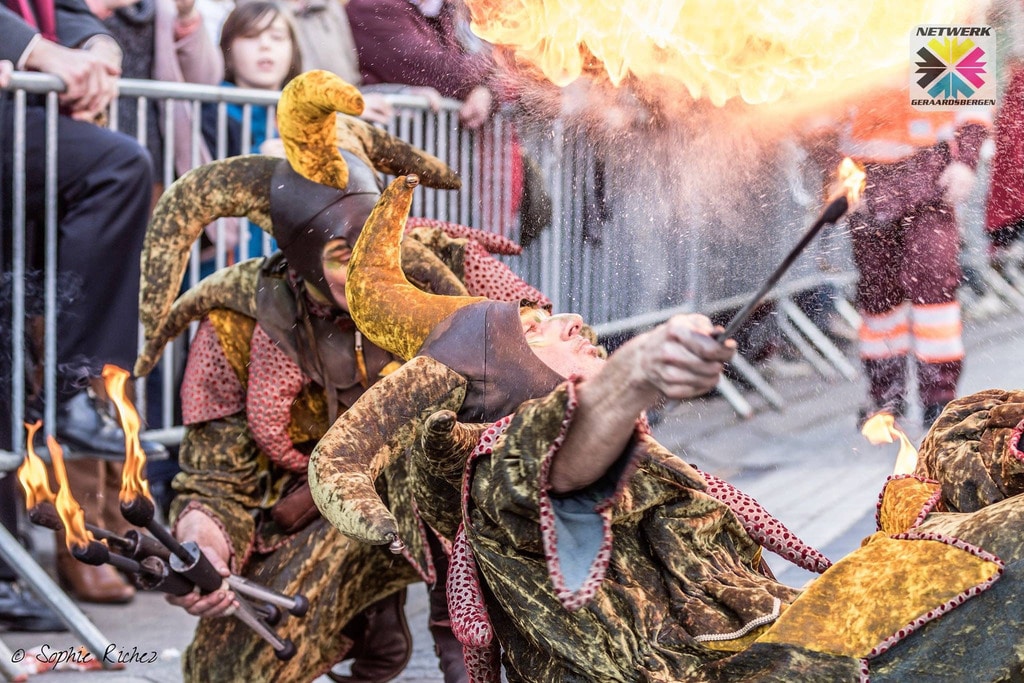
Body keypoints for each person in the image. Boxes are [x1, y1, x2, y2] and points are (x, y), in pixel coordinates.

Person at [310, 174, 1024, 681]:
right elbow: (549, 469)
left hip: (790, 632)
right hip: (758, 670)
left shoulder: (639, 459)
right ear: (501, 382)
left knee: (971, 443)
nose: (572, 321)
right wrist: (631, 374)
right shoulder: (493, 486)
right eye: (536, 329)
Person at [137, 70, 545, 682]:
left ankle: (480, 654)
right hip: (332, 519)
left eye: (378, 237)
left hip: (470, 506)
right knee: (225, 674)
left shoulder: (455, 267)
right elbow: (215, 475)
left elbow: (557, 363)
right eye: (341, 254)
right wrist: (204, 536)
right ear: (299, 255)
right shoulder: (239, 320)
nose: (369, 266)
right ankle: (366, 622)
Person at [1, 0, 163, 604]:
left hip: (21, 128)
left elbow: (68, 13)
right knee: (120, 166)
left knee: (8, 355)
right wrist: (40, 54)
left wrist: (98, 52)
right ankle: (73, 389)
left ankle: (6, 574)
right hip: (12, 119)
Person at [832, 87, 989, 429]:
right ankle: (885, 396)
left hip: (929, 175)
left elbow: (971, 100)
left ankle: (940, 398)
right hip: (865, 179)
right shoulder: (847, 36)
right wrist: (835, 174)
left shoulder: (937, 34)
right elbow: (820, 113)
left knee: (934, 286)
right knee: (879, 295)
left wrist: (966, 162)